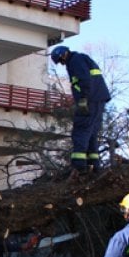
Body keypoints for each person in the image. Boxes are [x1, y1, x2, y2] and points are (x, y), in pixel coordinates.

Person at [50, 45, 111, 178]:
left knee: (81, 130)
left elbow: (84, 79)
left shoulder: (75, 60)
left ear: (64, 54)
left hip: (90, 99)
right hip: (97, 99)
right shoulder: (81, 58)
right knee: (91, 132)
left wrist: (83, 98)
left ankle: (79, 165)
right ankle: (93, 164)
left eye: (61, 60)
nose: (62, 63)